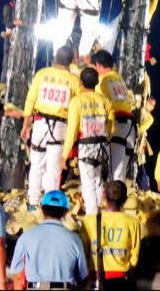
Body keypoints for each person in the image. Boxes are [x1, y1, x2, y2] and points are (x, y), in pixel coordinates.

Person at [21, 46, 81, 208]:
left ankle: (33, 203)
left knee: (36, 165)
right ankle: (50, 205)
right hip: (60, 127)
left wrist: (25, 125)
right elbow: (77, 107)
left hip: (40, 124)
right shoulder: (74, 81)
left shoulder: (42, 74)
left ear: (55, 57)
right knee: (53, 169)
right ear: (71, 61)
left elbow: (30, 100)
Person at [61, 67, 114, 215]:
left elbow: (71, 130)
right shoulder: (105, 101)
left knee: (88, 183)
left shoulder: (76, 101)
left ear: (81, 82)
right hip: (102, 146)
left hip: (86, 146)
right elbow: (111, 124)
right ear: (97, 82)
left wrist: (65, 155)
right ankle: (98, 214)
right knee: (98, 181)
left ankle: (92, 217)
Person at [9, 190, 88, 290]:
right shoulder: (74, 240)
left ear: (42, 210)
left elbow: (19, 277)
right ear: (66, 212)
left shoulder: (25, 238)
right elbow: (82, 278)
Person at [80, 180, 141, 290]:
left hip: (94, 278)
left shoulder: (88, 221)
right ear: (125, 200)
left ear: (104, 196)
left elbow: (83, 252)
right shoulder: (133, 222)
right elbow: (134, 256)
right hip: (120, 279)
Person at [92, 50, 135, 182]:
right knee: (120, 174)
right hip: (131, 127)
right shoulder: (118, 78)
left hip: (118, 127)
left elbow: (100, 107)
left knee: (115, 174)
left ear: (98, 65)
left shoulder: (102, 81)